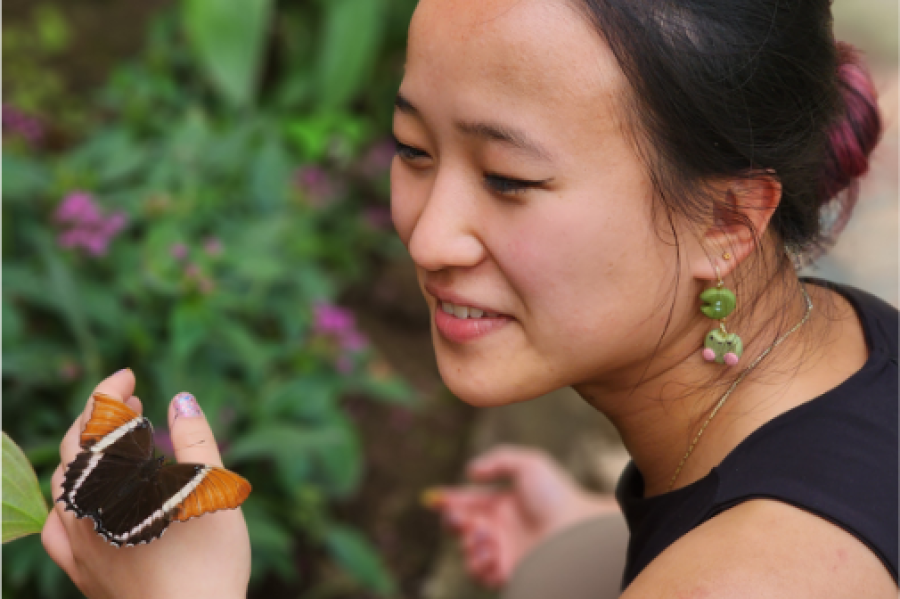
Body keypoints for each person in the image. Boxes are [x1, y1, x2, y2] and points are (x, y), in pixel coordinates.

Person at [43, 0, 900, 596]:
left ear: (727, 219)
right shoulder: (846, 348)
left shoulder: (765, 577)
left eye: (508, 177)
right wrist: (592, 541)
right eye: (414, 148)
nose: (428, 238)